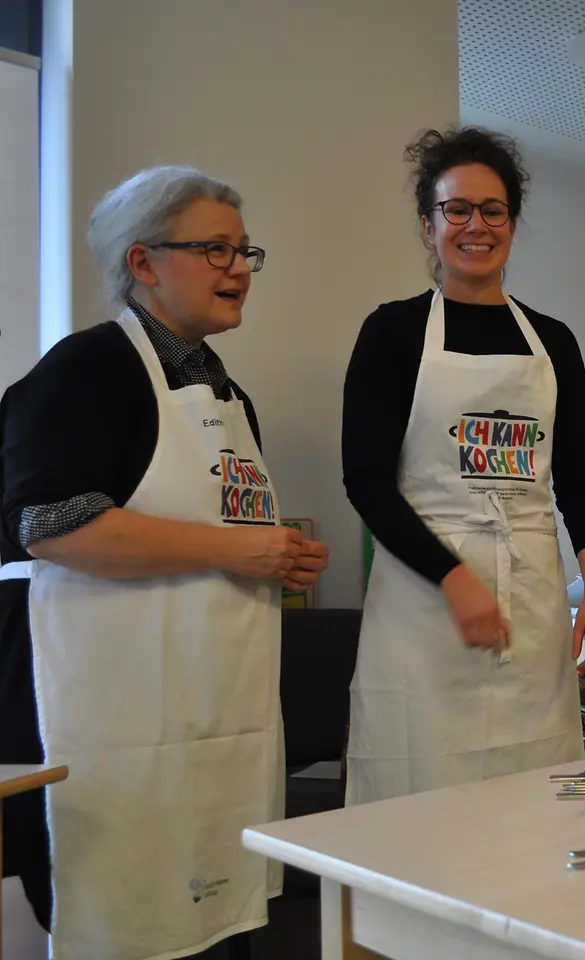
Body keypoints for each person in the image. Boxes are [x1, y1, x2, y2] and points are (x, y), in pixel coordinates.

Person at [0, 166, 328, 960]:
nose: (240, 269)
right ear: (142, 262)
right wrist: (242, 547)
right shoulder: (86, 371)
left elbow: (208, 527)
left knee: (220, 921)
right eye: (215, 249)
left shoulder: (227, 396)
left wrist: (275, 555)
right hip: (111, 716)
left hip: (217, 715)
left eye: (244, 250)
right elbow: (49, 523)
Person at [342, 127, 585, 804]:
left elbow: (580, 480)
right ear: (429, 223)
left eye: (492, 210)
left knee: (529, 792)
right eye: (456, 209)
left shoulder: (553, 341)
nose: (475, 226)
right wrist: (455, 580)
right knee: (423, 788)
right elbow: (366, 481)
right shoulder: (392, 333)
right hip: (422, 607)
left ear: (512, 224)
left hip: (531, 605)